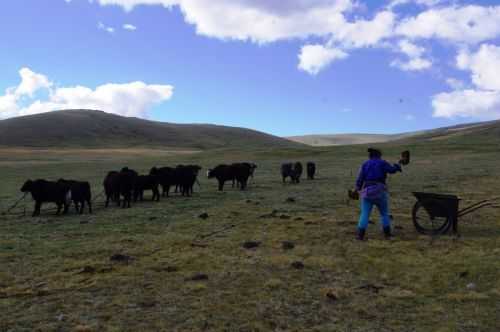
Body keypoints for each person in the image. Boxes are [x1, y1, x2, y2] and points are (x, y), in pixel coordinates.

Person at [355, 148, 402, 240]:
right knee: (384, 213)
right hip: (380, 191)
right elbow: (392, 170)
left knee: (364, 213)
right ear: (379, 155)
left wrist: (357, 189)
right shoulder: (382, 162)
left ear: (370, 155)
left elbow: (360, 179)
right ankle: (387, 235)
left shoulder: (365, 164)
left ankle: (360, 236)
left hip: (367, 191)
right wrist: (397, 165)